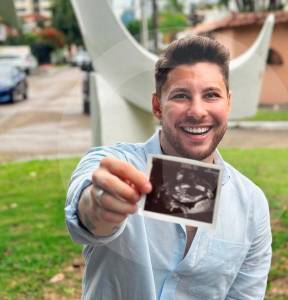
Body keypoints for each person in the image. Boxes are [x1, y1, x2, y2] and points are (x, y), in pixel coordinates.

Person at [65, 36, 272, 299]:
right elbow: (85, 212)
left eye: (211, 95)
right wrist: (98, 208)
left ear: (228, 103)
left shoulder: (251, 204)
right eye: (181, 96)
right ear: (157, 107)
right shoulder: (115, 163)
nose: (197, 111)